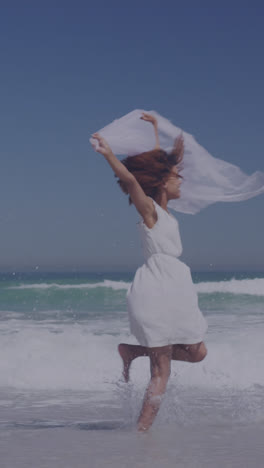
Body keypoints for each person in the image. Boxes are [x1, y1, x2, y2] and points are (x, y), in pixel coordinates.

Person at [91, 113, 208, 432]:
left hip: (176, 290)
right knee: (162, 371)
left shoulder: (164, 212)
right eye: (176, 176)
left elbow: (153, 171)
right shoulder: (150, 212)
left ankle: (132, 351)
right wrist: (109, 155)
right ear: (164, 182)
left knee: (198, 353)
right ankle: (141, 438)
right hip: (157, 290)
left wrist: (154, 133)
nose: (180, 180)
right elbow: (132, 182)